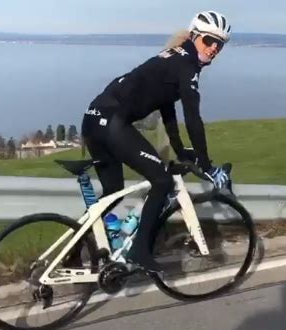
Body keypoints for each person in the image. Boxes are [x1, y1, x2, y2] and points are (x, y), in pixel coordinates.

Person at [81, 11, 232, 272]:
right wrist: (206, 165)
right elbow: (193, 117)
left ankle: (72, 253)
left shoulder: (174, 57)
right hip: (113, 122)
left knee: (113, 191)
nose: (214, 48)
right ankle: (140, 251)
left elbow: (167, 108)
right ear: (195, 36)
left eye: (220, 44)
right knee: (161, 181)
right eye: (209, 40)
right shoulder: (187, 66)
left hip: (94, 118)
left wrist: (179, 149)